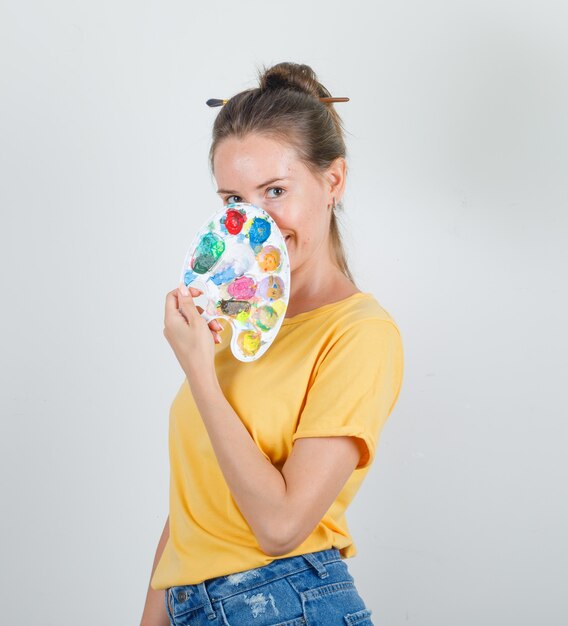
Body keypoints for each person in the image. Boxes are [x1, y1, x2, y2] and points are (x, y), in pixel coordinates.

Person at [139, 62, 404, 626]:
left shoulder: (359, 334)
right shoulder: (237, 322)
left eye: (276, 191)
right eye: (234, 200)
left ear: (333, 181)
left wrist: (200, 376)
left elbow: (281, 527)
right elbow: (196, 505)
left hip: (288, 604)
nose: (254, 223)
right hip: (195, 606)